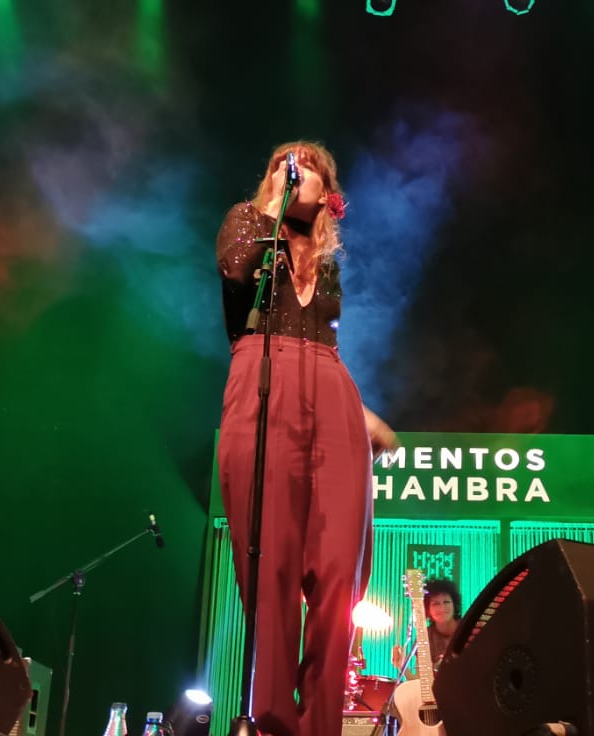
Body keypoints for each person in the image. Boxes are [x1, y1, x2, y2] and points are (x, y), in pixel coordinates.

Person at [216, 140, 399, 736]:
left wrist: (359, 411)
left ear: (329, 190)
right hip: (259, 386)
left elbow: (326, 351)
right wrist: (271, 206)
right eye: (282, 165)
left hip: (333, 403)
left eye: (310, 168)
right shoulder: (245, 227)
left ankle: (320, 725)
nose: (296, 173)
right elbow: (235, 271)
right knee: (268, 569)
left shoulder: (329, 268)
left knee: (338, 568)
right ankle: (272, 722)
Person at [392, 578, 462, 676]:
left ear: (455, 605)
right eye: (435, 604)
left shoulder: (469, 628)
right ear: (427, 609)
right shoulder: (425, 638)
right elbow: (419, 683)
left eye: (446, 602)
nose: (442, 608)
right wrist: (402, 666)